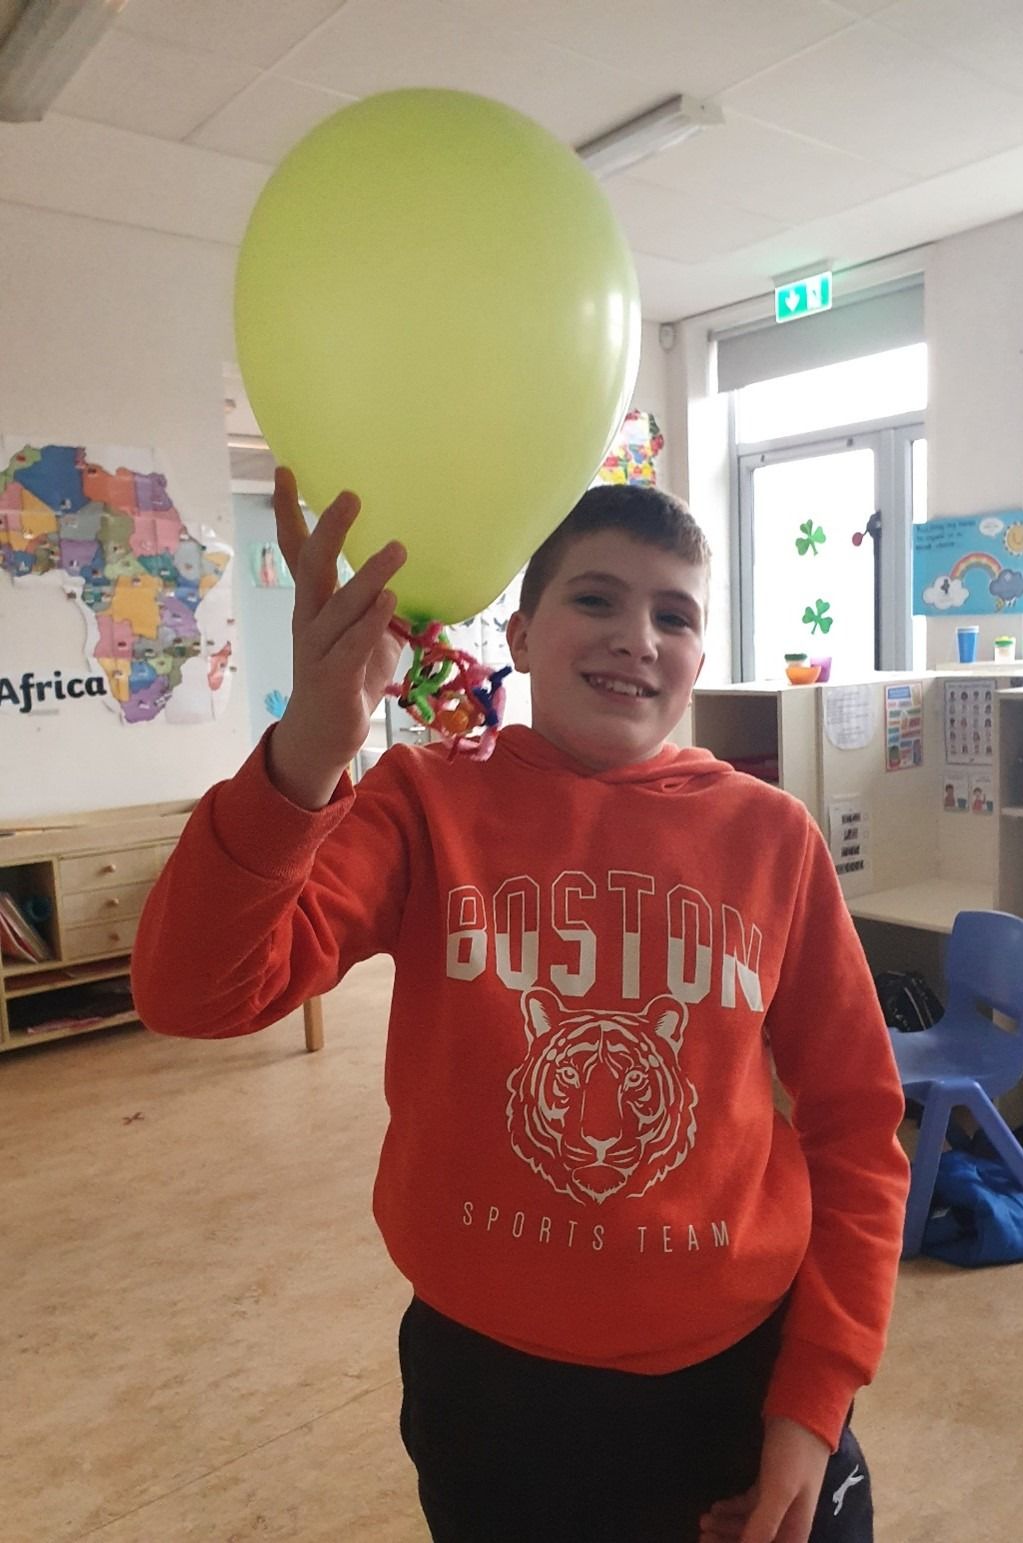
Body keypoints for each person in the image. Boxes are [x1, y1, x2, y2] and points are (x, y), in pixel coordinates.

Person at [132, 470, 907, 1543]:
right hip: (489, 1392)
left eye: (674, 615)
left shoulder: (772, 837)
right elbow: (193, 991)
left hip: (736, 1377)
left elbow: (856, 1127)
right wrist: (308, 745)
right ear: (522, 633)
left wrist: (815, 1398)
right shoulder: (422, 799)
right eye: (595, 598)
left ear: (697, 656)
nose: (636, 636)